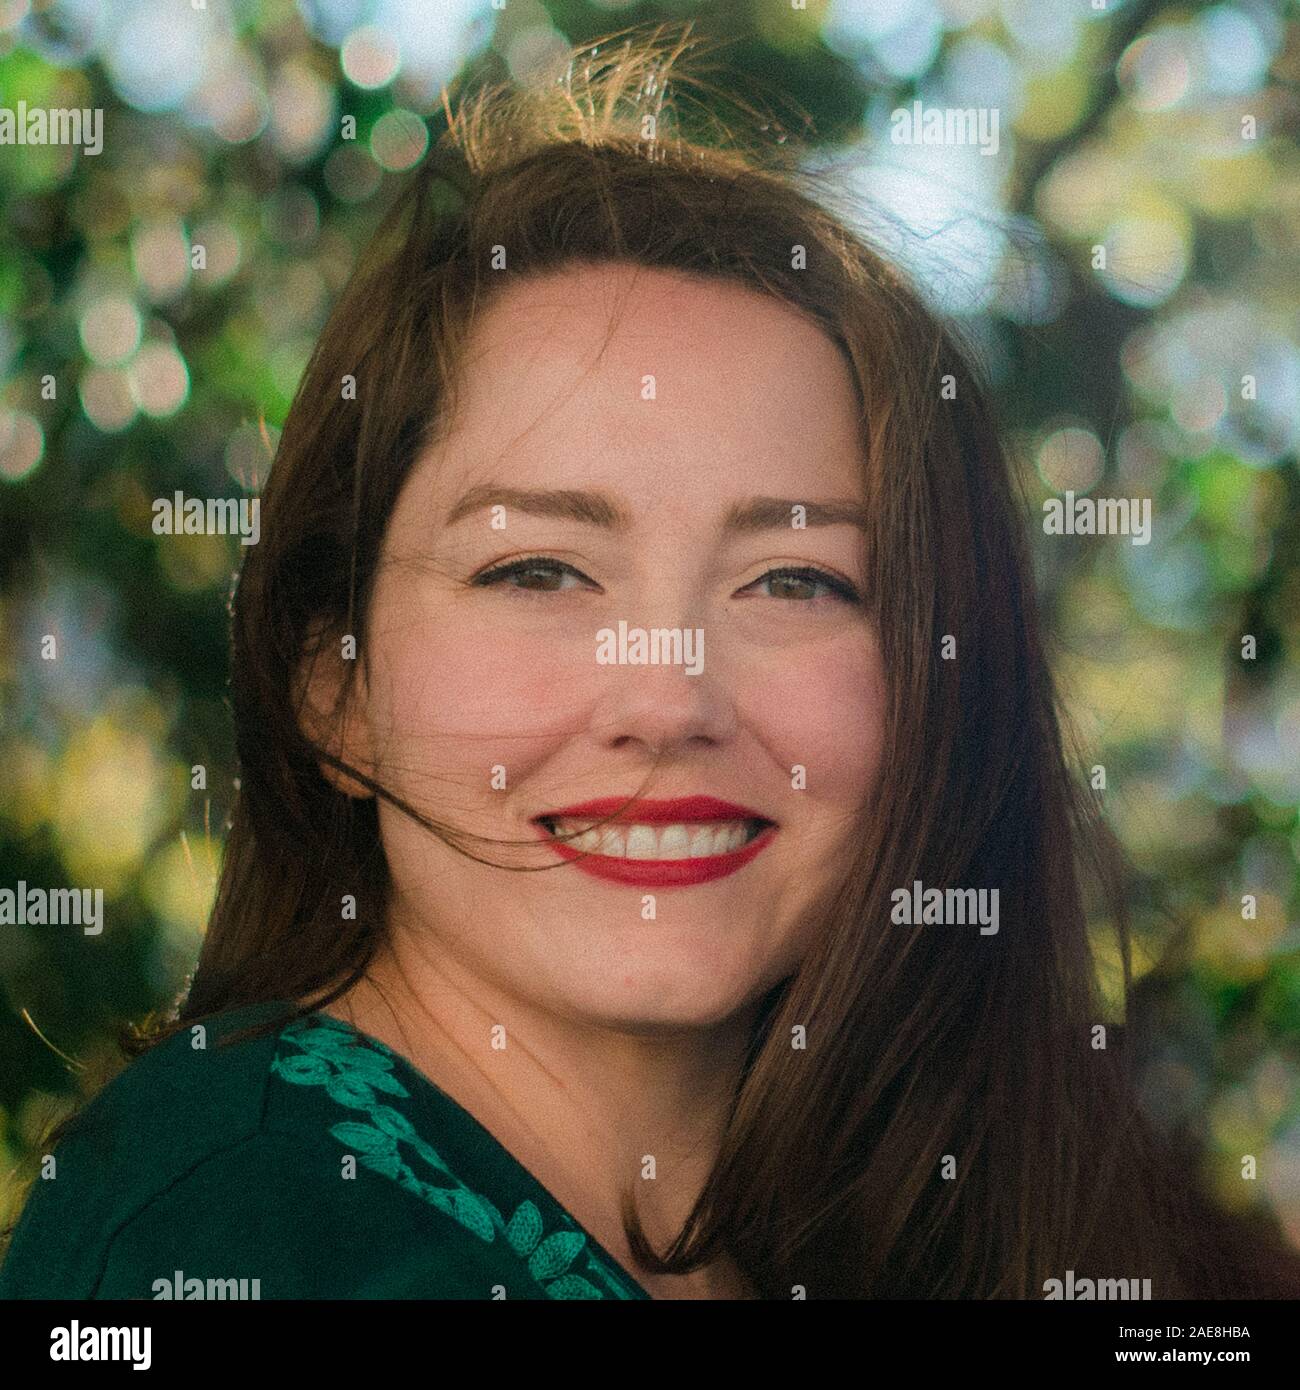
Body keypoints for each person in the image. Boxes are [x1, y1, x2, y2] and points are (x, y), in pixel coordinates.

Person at [3, 26, 1295, 1301]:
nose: (669, 698)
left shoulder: (978, 1223)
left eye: (796, 580)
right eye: (539, 571)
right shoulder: (229, 1233)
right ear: (331, 688)